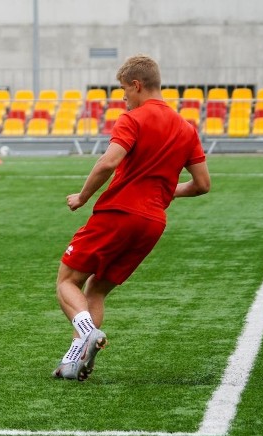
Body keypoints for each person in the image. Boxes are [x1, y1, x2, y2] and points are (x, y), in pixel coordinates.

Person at [53, 54, 211, 381]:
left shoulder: (133, 119)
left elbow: (109, 162)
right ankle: (73, 361)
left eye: (124, 90)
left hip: (119, 213)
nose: (123, 98)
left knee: (67, 281)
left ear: (137, 85)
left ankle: (85, 334)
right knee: (96, 291)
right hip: (153, 223)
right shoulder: (187, 128)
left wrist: (82, 197)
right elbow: (202, 185)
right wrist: (166, 193)